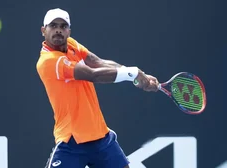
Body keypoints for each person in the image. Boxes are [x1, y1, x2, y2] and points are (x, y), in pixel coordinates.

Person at [36, 8, 159, 168]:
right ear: (43, 30)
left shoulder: (71, 44)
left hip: (100, 136)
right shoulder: (48, 62)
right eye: (53, 25)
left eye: (63, 26)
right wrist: (133, 73)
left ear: (69, 31)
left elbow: (98, 62)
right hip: (71, 139)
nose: (58, 29)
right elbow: (93, 74)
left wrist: (137, 77)